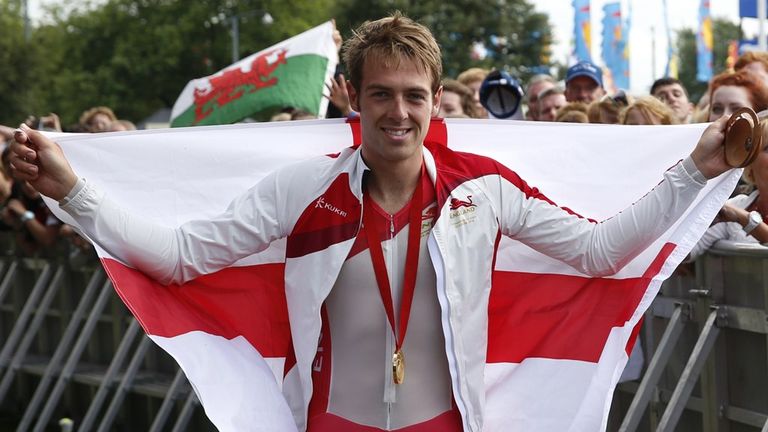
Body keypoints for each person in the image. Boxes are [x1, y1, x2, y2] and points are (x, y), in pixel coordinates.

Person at [10, 13, 732, 431]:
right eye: (380, 94)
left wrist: (694, 170)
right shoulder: (306, 188)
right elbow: (178, 258)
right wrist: (71, 190)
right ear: (352, 96)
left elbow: (601, 251)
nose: (398, 112)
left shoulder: (484, 191)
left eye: (414, 96)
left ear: (435, 98)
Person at [690, 118, 768, 259]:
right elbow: (685, 252)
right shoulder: (737, 205)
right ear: (750, 163)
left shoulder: (737, 212)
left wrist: (745, 219)